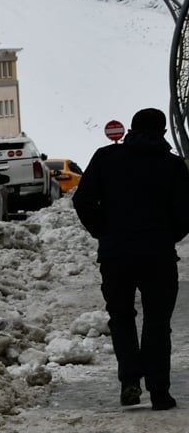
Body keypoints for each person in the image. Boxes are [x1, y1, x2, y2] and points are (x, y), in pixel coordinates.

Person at [73, 107, 189, 410]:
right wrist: (168, 236)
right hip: (159, 256)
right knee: (157, 323)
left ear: (130, 131)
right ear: (164, 133)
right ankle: (160, 392)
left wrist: (103, 230)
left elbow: (82, 199)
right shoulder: (173, 165)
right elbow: (185, 212)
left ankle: (129, 381)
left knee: (122, 318)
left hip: (116, 255)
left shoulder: (106, 158)